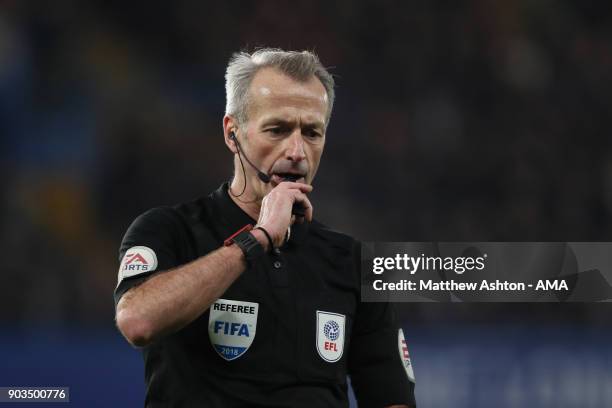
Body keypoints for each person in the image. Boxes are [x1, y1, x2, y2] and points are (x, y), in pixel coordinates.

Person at [114, 48, 416, 408]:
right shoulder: (170, 230)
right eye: (278, 129)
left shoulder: (351, 262)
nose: (297, 151)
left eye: (312, 132)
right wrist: (256, 239)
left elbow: (391, 399)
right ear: (232, 133)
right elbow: (137, 321)